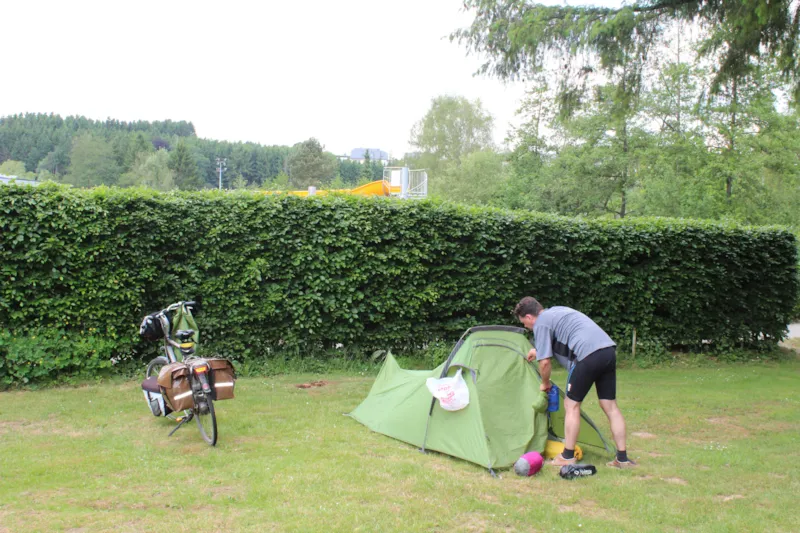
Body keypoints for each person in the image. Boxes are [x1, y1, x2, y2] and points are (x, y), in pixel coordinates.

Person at [514, 296, 637, 468]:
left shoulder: (541, 323)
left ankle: (567, 456)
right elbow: (561, 339)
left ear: (529, 317)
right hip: (607, 351)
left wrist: (545, 383)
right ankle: (622, 459)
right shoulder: (556, 311)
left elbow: (545, 362)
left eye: (524, 323)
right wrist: (537, 350)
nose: (526, 327)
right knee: (610, 406)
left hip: (587, 355)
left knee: (571, 405)